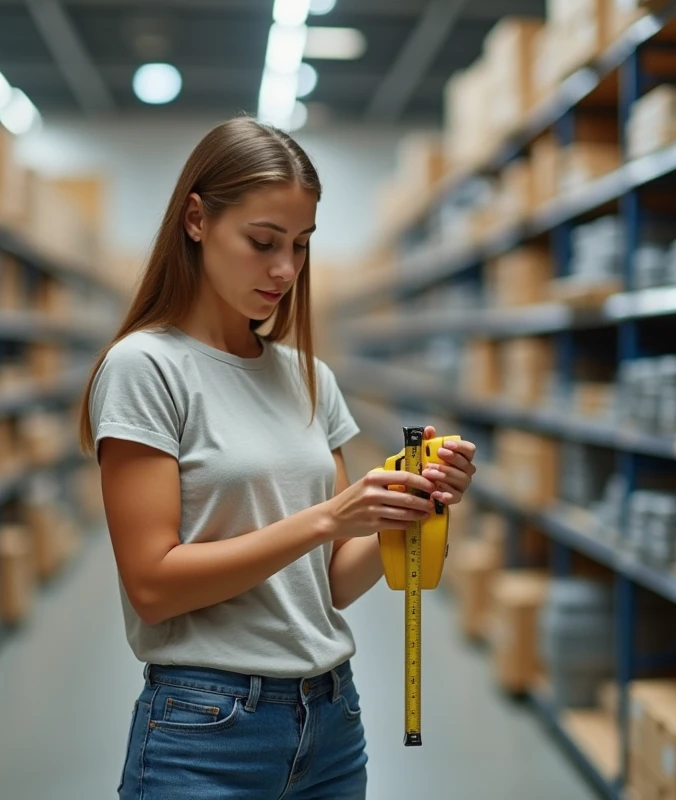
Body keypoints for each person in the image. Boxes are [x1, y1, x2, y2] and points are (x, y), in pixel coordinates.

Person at [79, 116, 479, 799]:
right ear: (197, 220)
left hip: (330, 721)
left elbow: (330, 586)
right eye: (262, 242)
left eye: (300, 245)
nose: (285, 270)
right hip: (206, 730)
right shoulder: (146, 367)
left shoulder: (310, 377)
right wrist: (327, 518)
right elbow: (153, 586)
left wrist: (402, 509)